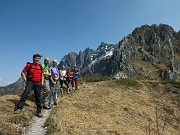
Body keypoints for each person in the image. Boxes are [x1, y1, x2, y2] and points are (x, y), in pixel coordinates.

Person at [14, 54, 44, 118]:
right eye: (36, 58)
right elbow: (22, 72)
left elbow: (42, 75)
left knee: (38, 97)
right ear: (33, 59)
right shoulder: (29, 65)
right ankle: (19, 108)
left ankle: (39, 112)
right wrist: (26, 80)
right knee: (25, 93)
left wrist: (42, 83)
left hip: (38, 83)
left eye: (38, 58)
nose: (37, 59)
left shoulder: (41, 66)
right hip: (30, 82)